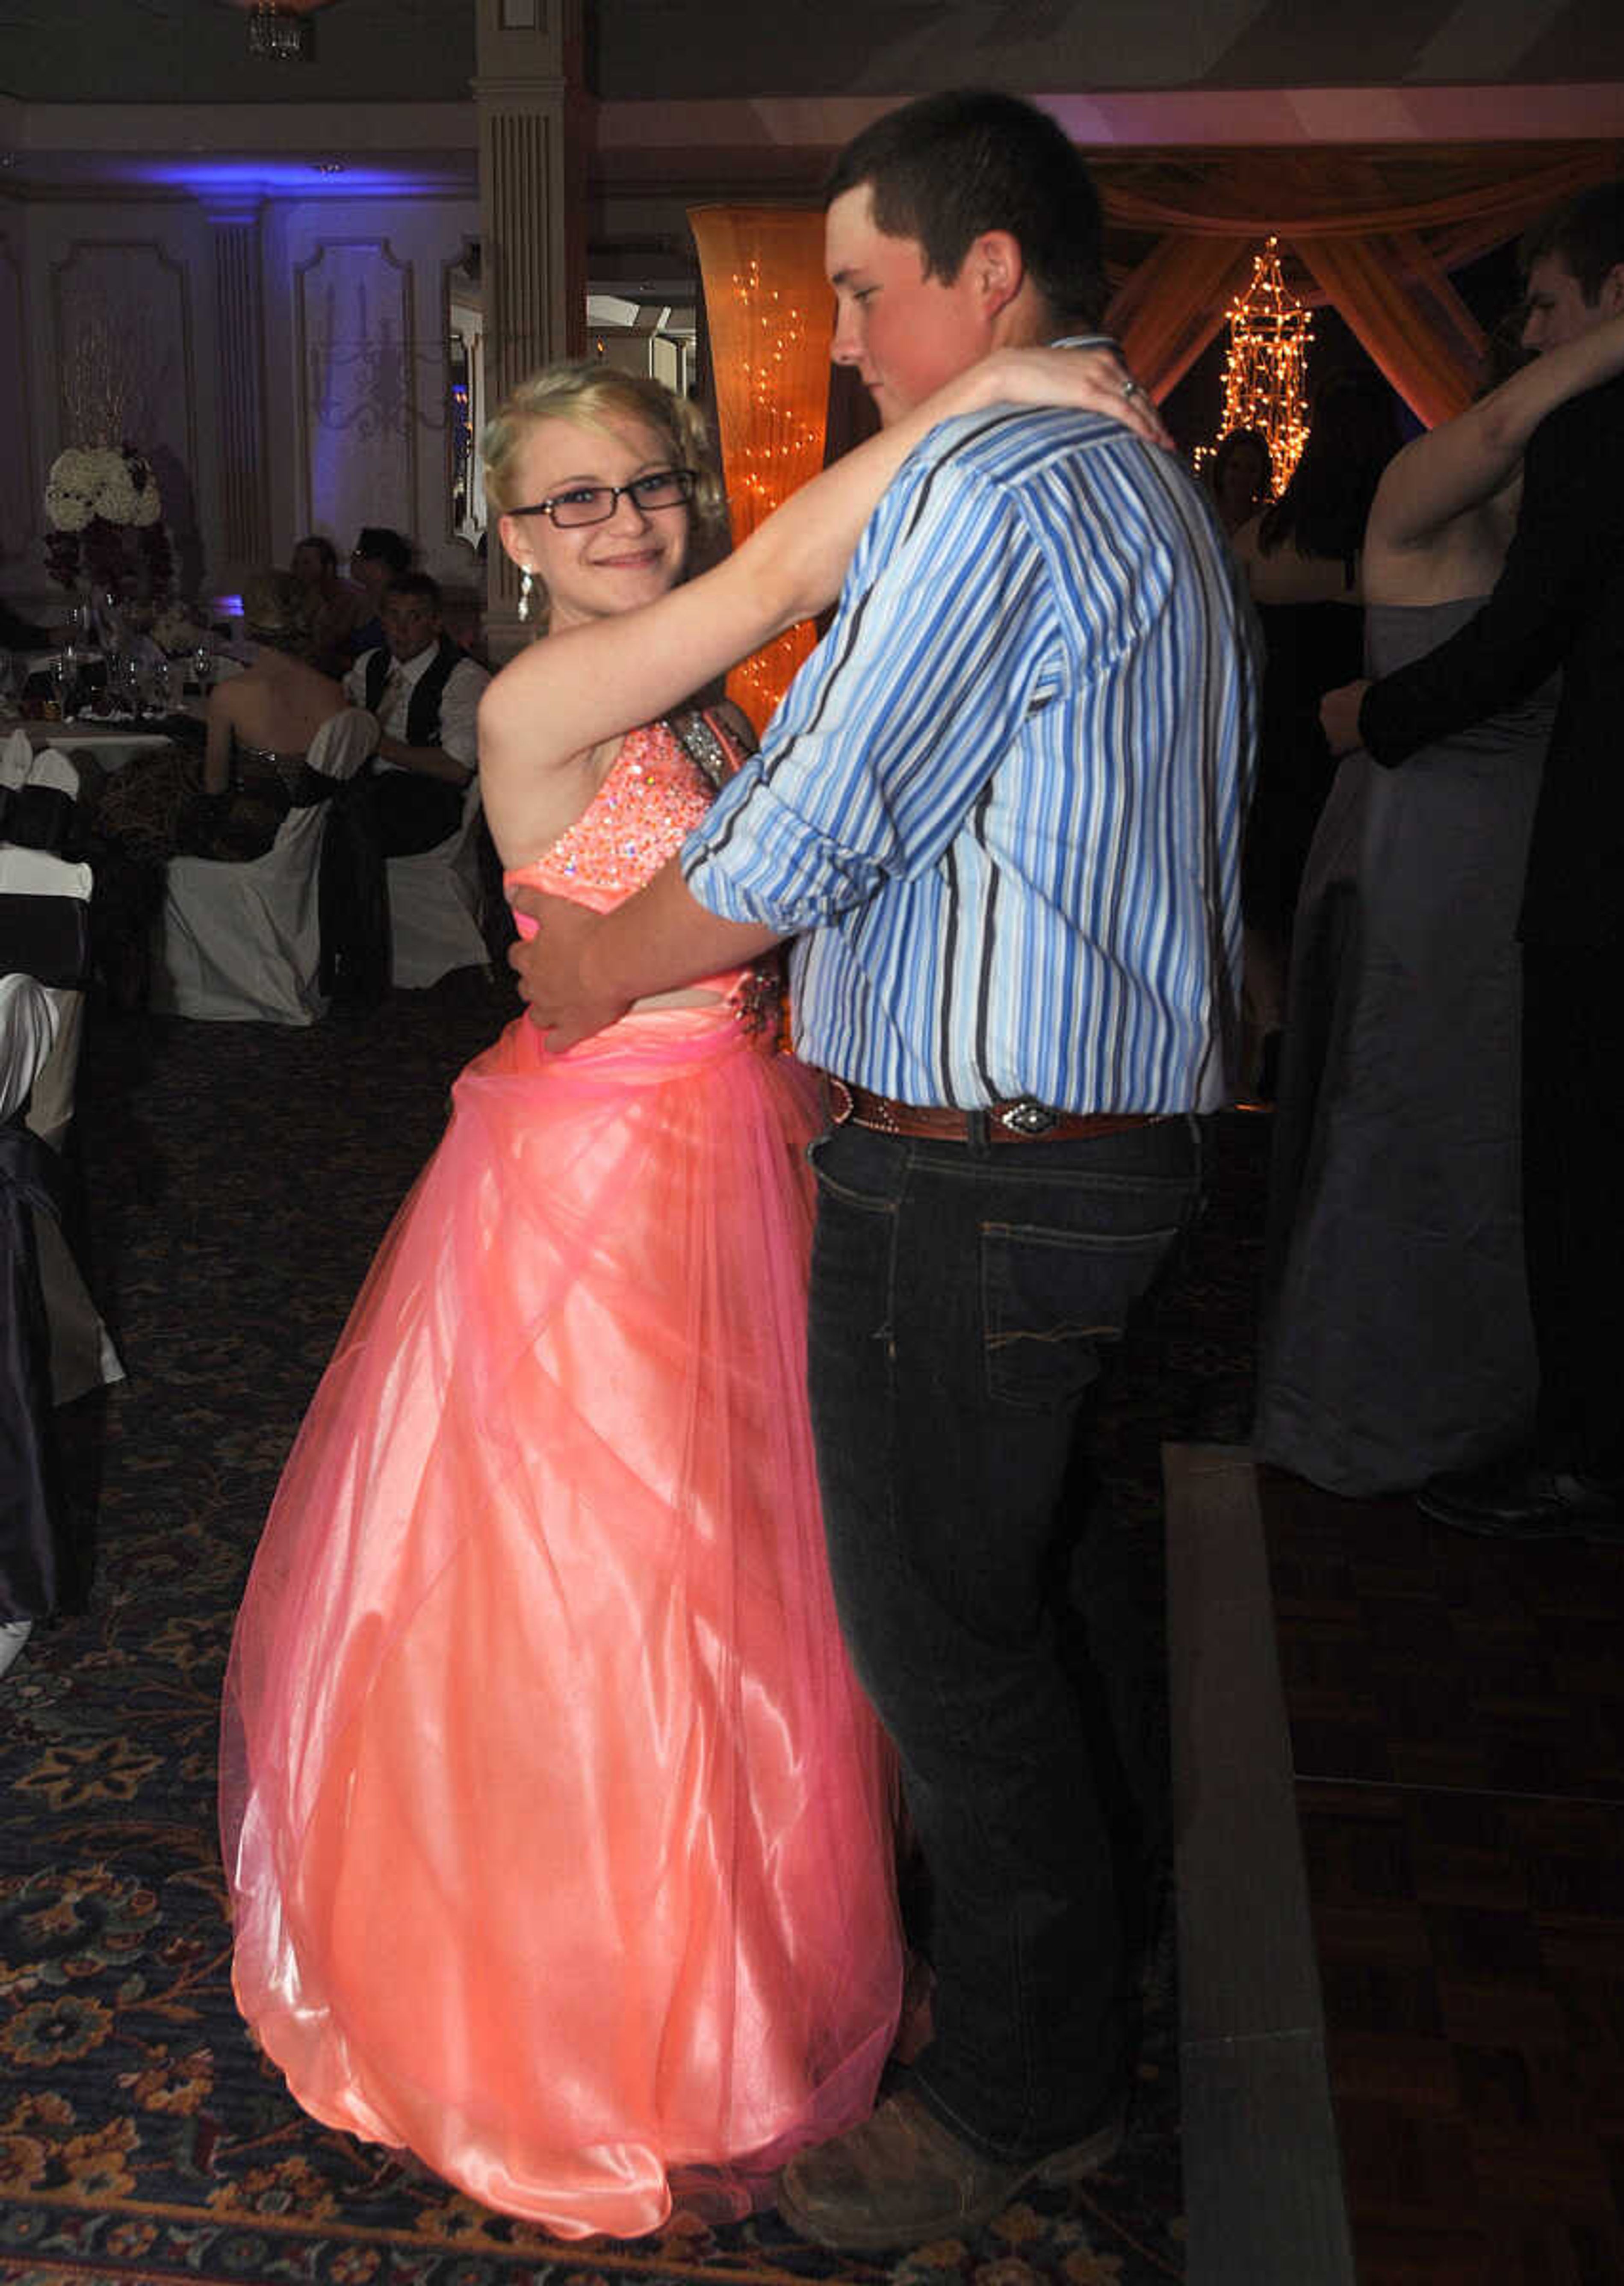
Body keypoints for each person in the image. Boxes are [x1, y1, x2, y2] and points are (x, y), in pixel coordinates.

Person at [220, 340, 1150, 2238]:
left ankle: (720, 1975)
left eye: (646, 482)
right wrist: (976, 400)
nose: (623, 521)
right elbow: (772, 582)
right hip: (596, 1182)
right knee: (603, 1585)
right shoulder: (543, 690)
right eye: (574, 498)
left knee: (744, 1574)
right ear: (512, 537)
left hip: (738, 1135)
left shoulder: (707, 710)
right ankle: (575, 2018)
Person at [508, 89, 1255, 2251]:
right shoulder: (1118, 465)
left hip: (989, 1168)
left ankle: (1027, 2091)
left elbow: (811, 829)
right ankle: (1084, 1981)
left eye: (861, 284)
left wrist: (593, 986)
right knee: (1040, 1594)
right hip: (1088, 1142)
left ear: (985, 274)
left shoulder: (1014, 477)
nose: (841, 334)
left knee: (948, 1642)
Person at [1260, 301, 1624, 1497]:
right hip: (1427, 845)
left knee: (1505, 1132)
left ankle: (1514, 1400)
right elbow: (1510, 427)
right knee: (1406, 1109)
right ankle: (1377, 1407)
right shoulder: (1430, 478)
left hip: (1536, 847)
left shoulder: (1568, 510)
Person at [1233, 375, 1400, 1088]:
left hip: (1277, 732)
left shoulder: (1265, 538)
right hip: (1365, 737)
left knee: (1266, 893)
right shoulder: (1394, 528)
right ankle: (1338, 1042)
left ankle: (1275, 1025)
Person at [86, 570, 346, 1004]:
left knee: (128, 833)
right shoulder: (333, 692)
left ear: (252, 625)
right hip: (309, 833)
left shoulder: (232, 694)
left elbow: (215, 785)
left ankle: (127, 969)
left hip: (250, 836)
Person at [342, 571, 490, 855]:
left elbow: (457, 768)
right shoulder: (369, 665)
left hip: (429, 797)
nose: (401, 629)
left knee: (352, 825)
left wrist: (376, 743)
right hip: (368, 786)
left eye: (415, 618)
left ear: (436, 623)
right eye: (393, 616)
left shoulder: (463, 678)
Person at [289, 533, 368, 676]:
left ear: (329, 567)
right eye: (296, 563)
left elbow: (326, 644)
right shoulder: (300, 596)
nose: (299, 569)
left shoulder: (352, 598)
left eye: (307, 563)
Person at [345, 525, 410, 656]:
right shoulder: (360, 600)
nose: (352, 558)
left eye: (358, 553)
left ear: (380, 564)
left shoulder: (399, 606)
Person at [1205, 423, 1271, 537]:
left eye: (1252, 470)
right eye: (1235, 466)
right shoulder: (1203, 516)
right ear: (1222, 469)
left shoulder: (1265, 526)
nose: (1242, 476)